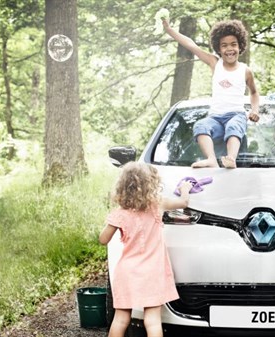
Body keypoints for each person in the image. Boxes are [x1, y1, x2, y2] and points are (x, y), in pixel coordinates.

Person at [99, 162, 193, 337]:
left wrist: (113, 222)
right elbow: (184, 202)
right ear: (150, 185)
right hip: (152, 272)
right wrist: (185, 188)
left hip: (127, 272)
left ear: (123, 187)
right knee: (152, 320)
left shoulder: (120, 214)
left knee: (120, 319)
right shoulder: (158, 205)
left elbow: (103, 240)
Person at [163, 18, 260, 169]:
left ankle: (231, 159)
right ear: (218, 49)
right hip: (215, 117)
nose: (229, 49)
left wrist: (255, 110)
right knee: (200, 125)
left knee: (233, 127)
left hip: (236, 114)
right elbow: (191, 45)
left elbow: (253, 92)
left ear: (240, 46)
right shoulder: (215, 63)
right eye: (224, 45)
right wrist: (169, 30)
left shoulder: (245, 71)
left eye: (233, 44)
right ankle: (211, 159)